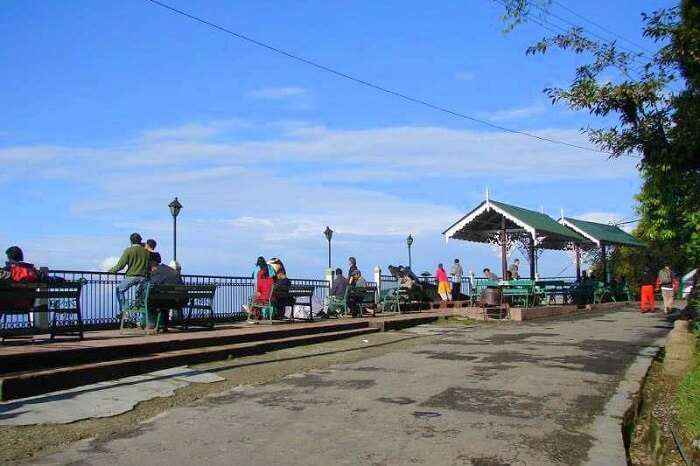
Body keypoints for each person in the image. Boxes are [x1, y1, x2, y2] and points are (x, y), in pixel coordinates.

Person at [109, 233, 151, 311]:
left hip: (132, 276)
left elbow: (121, 265)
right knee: (140, 295)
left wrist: (111, 271)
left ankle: (125, 310)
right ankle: (139, 315)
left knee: (119, 290)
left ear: (131, 241)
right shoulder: (146, 252)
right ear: (140, 240)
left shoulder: (129, 250)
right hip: (143, 277)